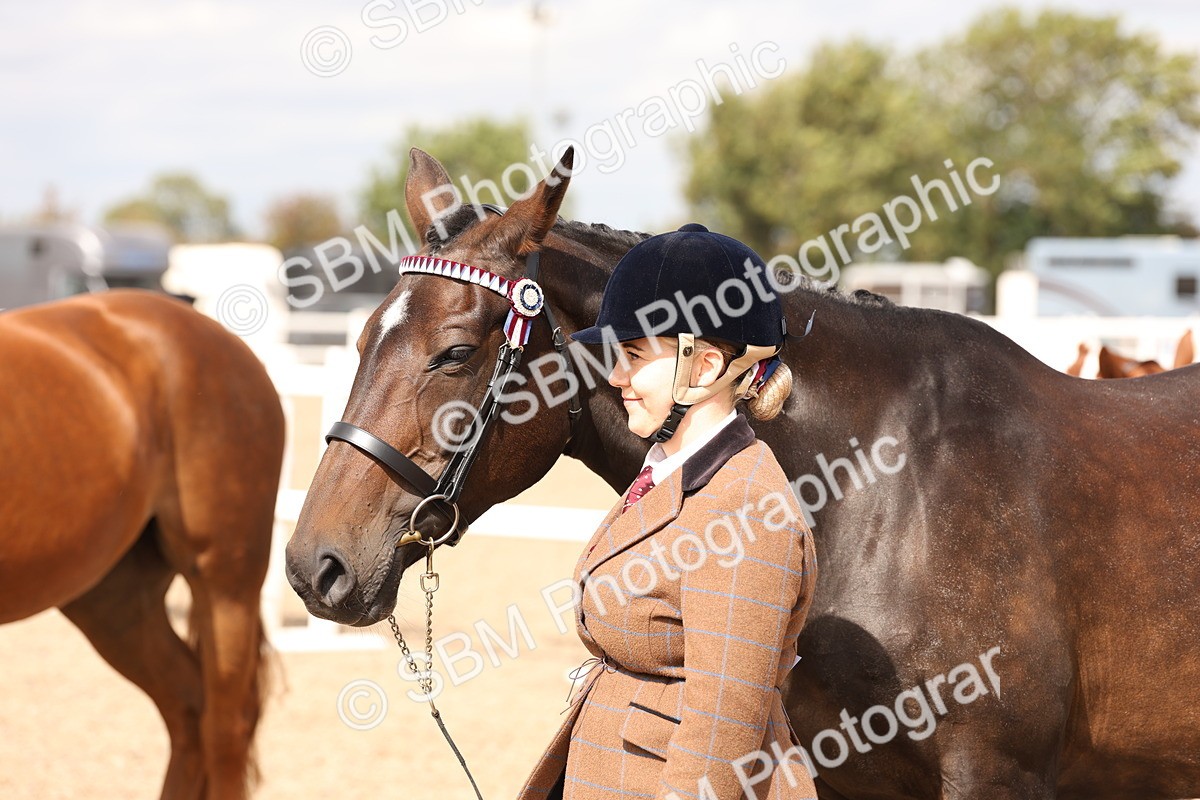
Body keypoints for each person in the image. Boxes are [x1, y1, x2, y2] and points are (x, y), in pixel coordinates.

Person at [516, 223, 819, 800]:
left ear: (703, 368)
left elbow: (720, 734)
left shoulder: (747, 515)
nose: (614, 377)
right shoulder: (669, 472)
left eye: (633, 355)